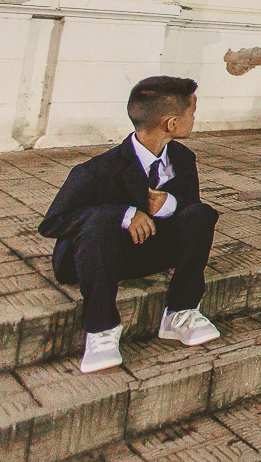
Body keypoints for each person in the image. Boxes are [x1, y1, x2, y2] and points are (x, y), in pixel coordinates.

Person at [39, 77, 221, 373]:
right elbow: (52, 224)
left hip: (145, 253)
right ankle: (101, 330)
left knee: (200, 214)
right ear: (171, 123)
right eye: (192, 111)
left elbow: (190, 205)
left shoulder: (183, 159)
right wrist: (123, 214)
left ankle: (180, 312)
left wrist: (167, 205)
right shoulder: (97, 169)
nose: (194, 118)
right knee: (100, 220)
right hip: (93, 260)